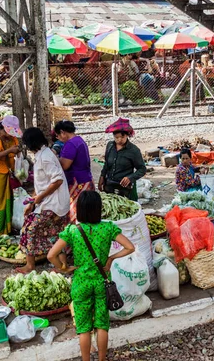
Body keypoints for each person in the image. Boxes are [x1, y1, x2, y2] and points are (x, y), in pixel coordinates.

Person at [48, 191, 135, 361]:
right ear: (98, 209)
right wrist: (110, 259)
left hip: (81, 282)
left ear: (79, 209)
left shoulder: (73, 230)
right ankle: (102, 359)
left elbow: (52, 255)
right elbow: (130, 247)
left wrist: (63, 268)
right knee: (102, 324)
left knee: (84, 328)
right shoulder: (108, 227)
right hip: (102, 282)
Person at [17, 128, 70, 274]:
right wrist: (32, 202)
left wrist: (38, 199)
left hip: (54, 204)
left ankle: (30, 265)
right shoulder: (43, 154)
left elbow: (57, 180)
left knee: (29, 228)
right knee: (57, 232)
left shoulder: (45, 157)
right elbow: (42, 184)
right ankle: (63, 266)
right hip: (55, 203)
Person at [55, 120, 94, 224]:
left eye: (58, 135)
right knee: (86, 210)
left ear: (63, 132)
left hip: (78, 182)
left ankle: (77, 234)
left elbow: (65, 165)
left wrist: (55, 160)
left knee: (77, 211)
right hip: (85, 179)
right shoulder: (79, 140)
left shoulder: (70, 144)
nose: (58, 138)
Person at [98, 118, 146, 201]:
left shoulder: (134, 150)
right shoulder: (110, 146)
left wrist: (130, 178)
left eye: (122, 137)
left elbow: (142, 169)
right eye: (116, 137)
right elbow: (106, 164)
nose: (119, 140)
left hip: (124, 188)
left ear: (127, 135)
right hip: (109, 185)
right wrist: (102, 177)